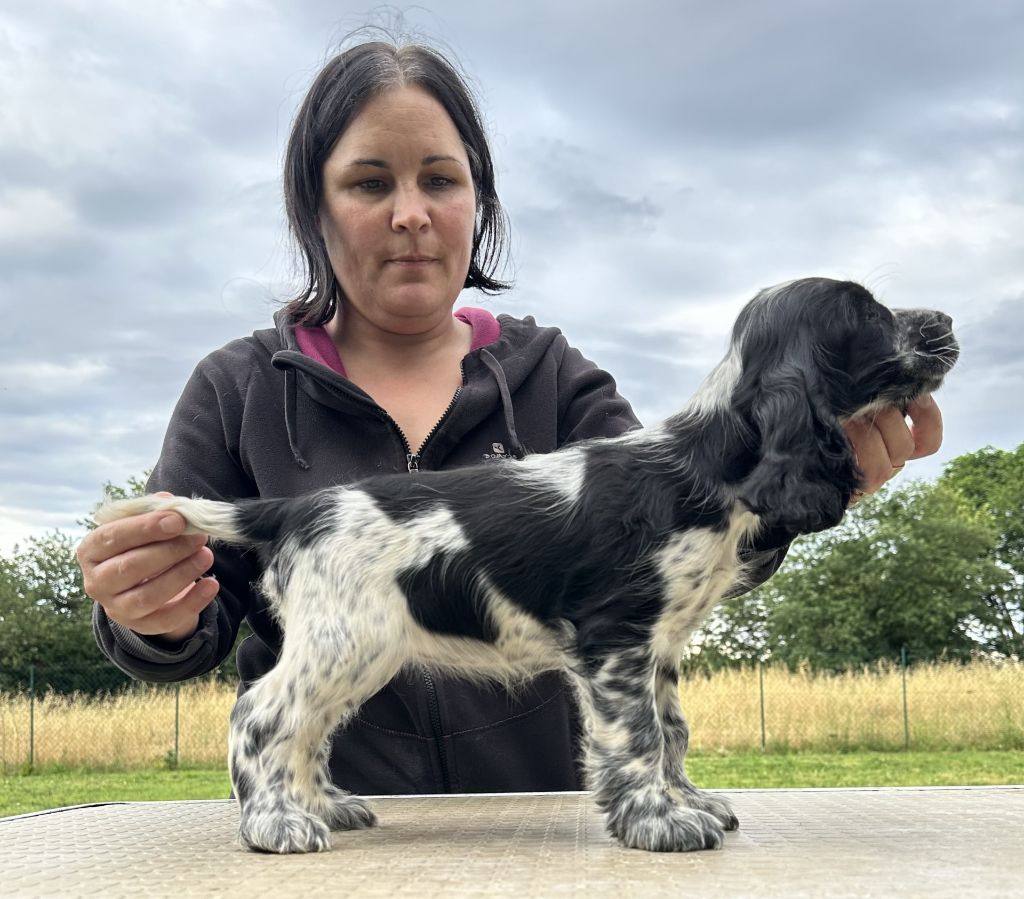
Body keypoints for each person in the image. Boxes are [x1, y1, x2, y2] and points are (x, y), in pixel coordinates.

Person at [77, 40, 944, 794]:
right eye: (370, 182)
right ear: (314, 206)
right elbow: (186, 626)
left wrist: (795, 489)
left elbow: (673, 562)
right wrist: (148, 608)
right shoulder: (236, 390)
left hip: (541, 829)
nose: (411, 214)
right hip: (342, 850)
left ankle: (646, 789)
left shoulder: (557, 378)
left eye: (440, 180)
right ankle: (281, 773)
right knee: (322, 670)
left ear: (479, 203)